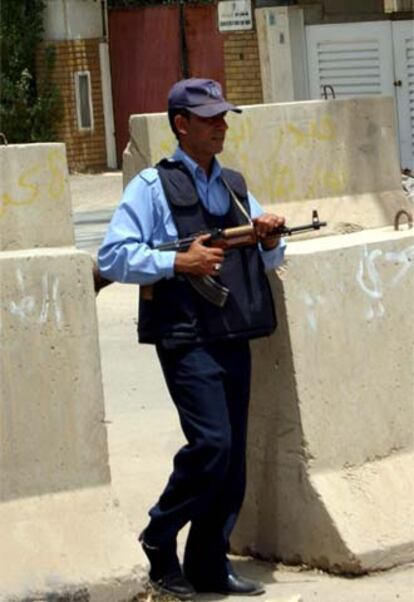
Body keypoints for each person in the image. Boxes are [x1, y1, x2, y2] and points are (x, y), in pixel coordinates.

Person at [98, 78, 286, 599]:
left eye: (224, 117)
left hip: (232, 327)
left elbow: (269, 258)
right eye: (210, 119)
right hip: (183, 334)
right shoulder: (152, 188)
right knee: (212, 444)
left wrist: (268, 235)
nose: (222, 126)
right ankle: (160, 536)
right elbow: (112, 255)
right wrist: (177, 261)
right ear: (181, 125)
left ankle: (208, 561)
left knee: (233, 459)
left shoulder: (234, 186)